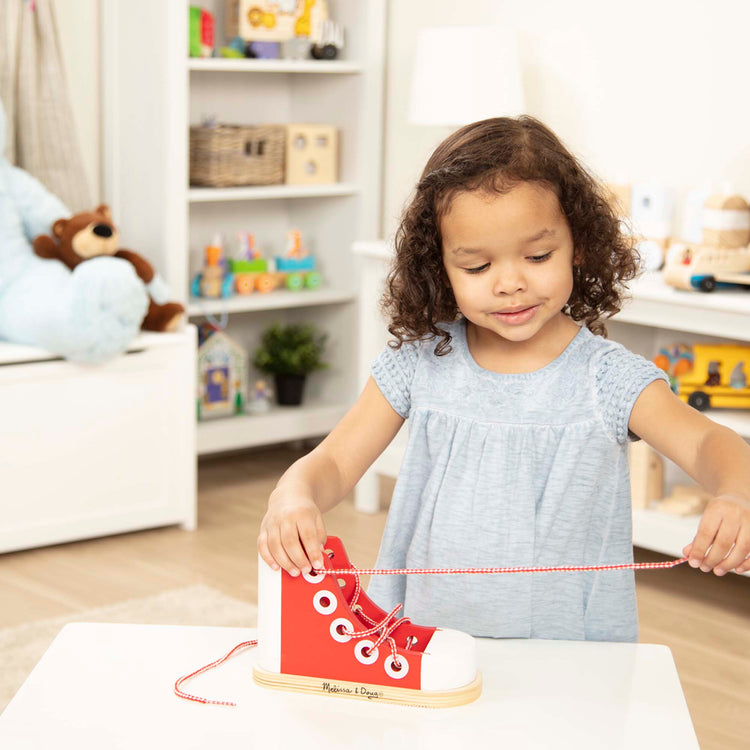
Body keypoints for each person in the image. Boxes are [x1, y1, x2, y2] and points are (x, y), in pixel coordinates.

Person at [258, 116, 750, 642]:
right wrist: (294, 496)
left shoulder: (605, 379)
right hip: (423, 646)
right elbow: (333, 461)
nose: (510, 283)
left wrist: (738, 494)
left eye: (538, 256)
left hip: (566, 662)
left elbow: (707, 443)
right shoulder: (419, 364)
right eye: (476, 267)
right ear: (439, 267)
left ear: (578, 244)